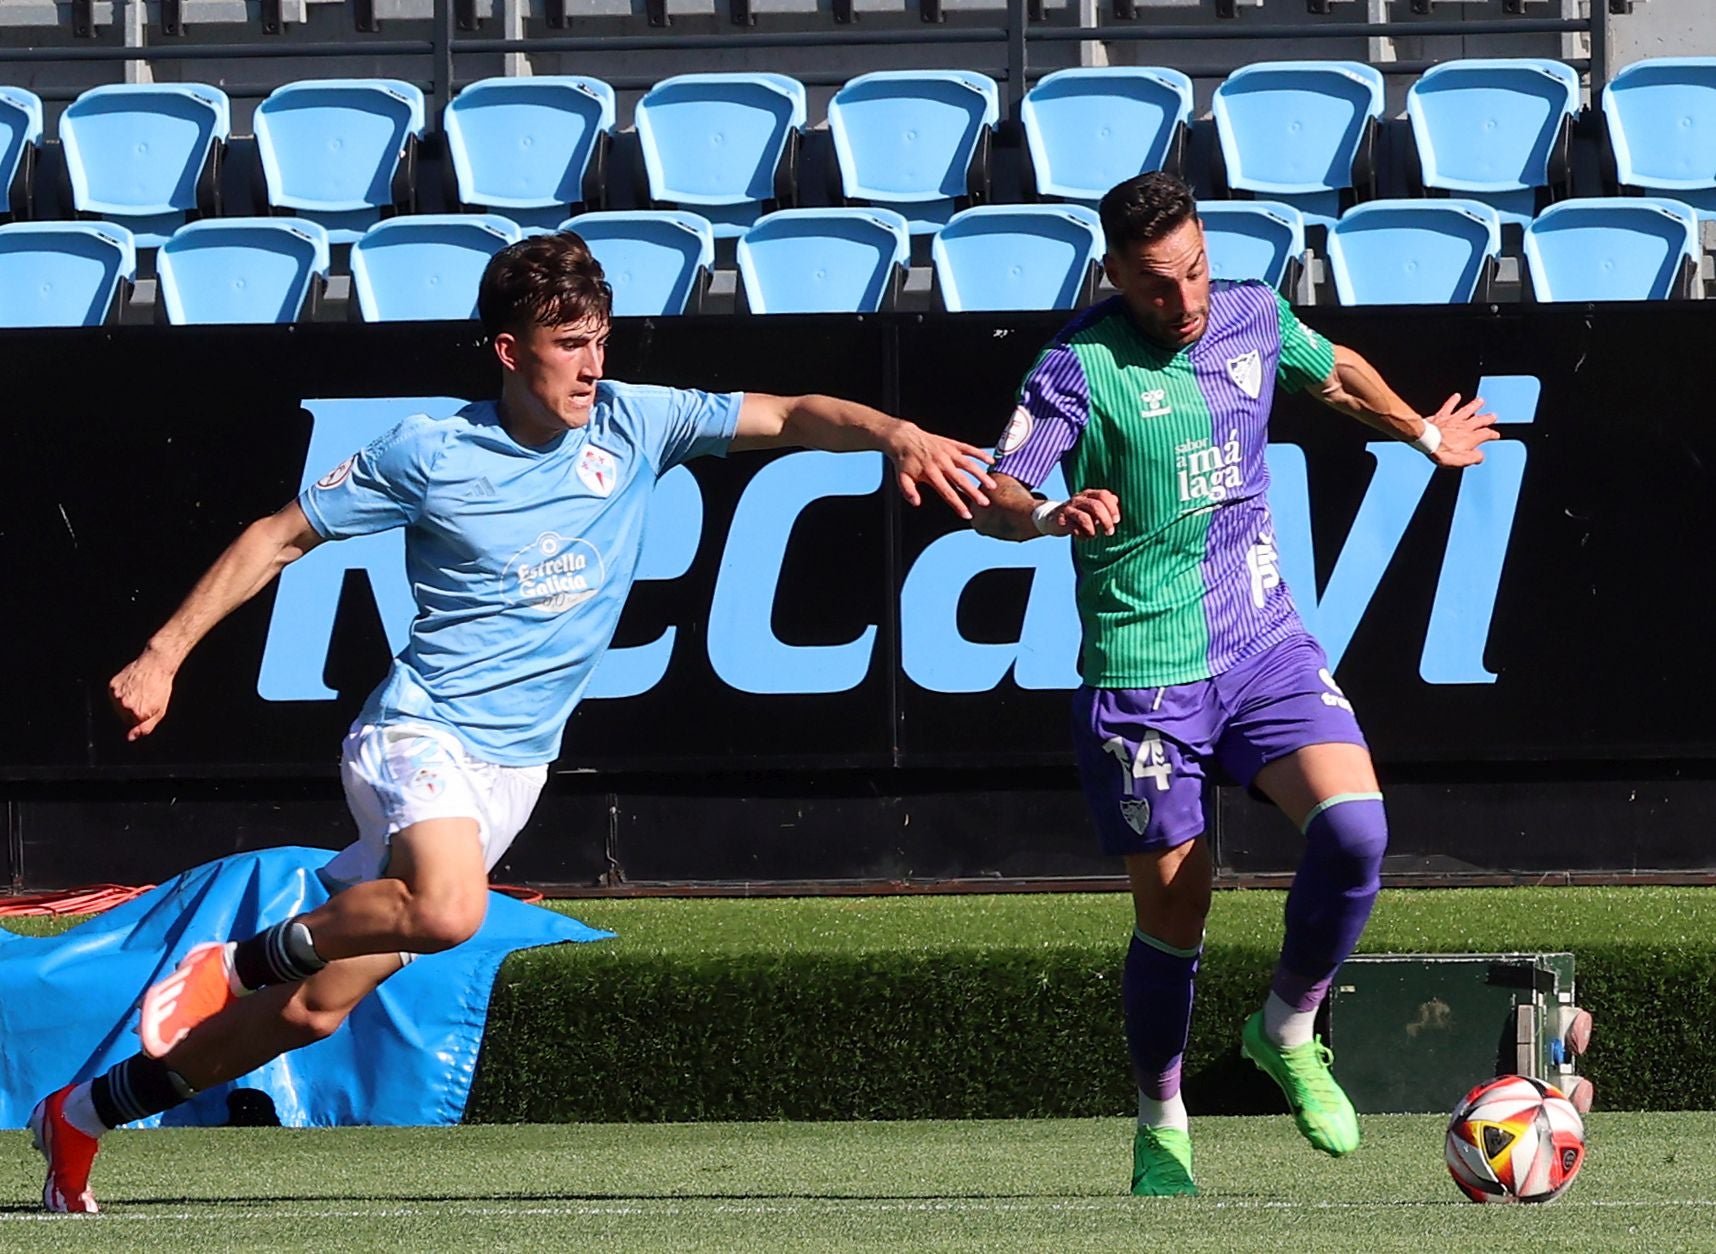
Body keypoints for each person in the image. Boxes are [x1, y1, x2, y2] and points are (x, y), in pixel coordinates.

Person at [28, 231, 996, 1214]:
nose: (592, 362)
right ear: (508, 351)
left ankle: (84, 1115)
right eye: (568, 342)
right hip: (418, 734)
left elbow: (789, 414)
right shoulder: (429, 450)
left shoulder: (634, 424)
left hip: (508, 776)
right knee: (449, 910)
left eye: (600, 337)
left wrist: (896, 434)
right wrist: (164, 652)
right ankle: (225, 962)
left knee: (317, 1010)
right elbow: (276, 538)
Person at [968, 172, 1496, 1197]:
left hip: (1263, 648)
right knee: (1177, 920)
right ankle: (1162, 1114)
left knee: (1356, 831)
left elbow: (1331, 371)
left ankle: (1287, 1028)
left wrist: (1426, 436)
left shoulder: (1251, 312)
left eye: (1197, 269)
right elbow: (1001, 489)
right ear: (1116, 273)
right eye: (1160, 285)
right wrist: (1043, 517)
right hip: (1142, 681)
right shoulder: (1078, 367)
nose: (1188, 300)